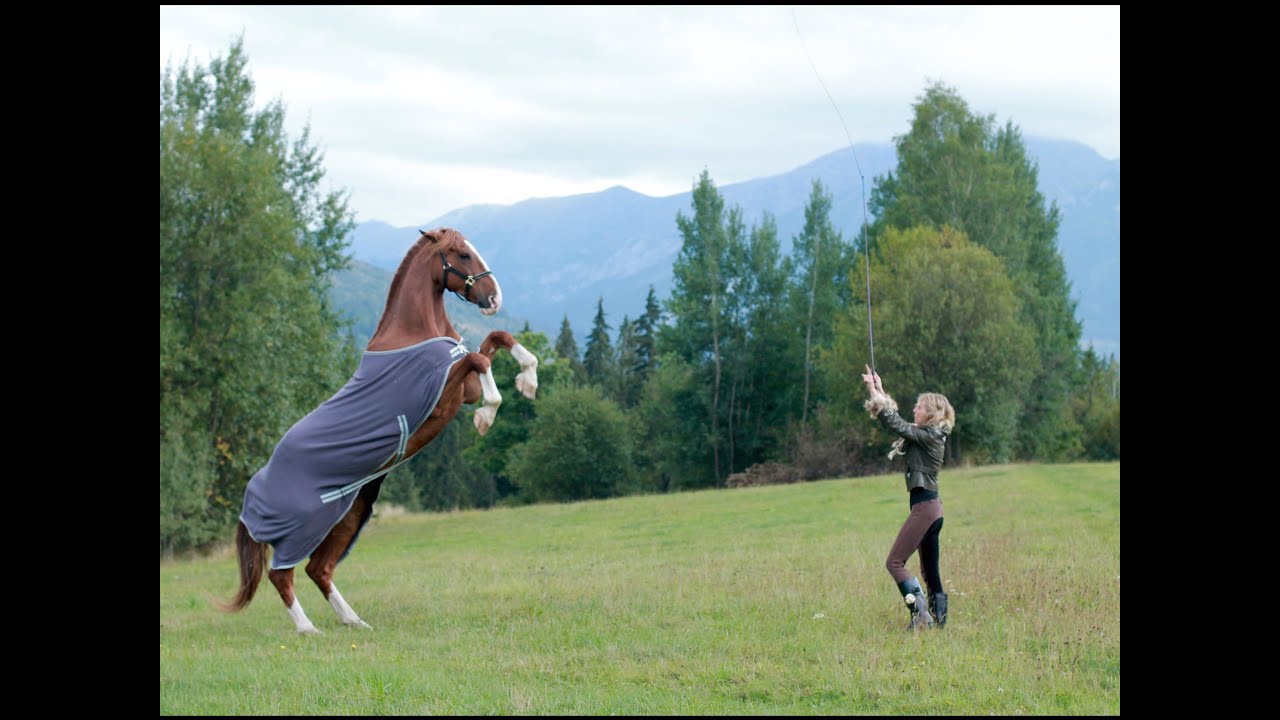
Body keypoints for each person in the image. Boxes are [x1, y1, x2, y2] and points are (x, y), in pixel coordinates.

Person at [862, 364, 955, 630]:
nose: (915, 409)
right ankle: (939, 623)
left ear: (931, 414)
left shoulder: (928, 435)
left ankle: (921, 615)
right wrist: (878, 389)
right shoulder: (930, 434)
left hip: (926, 509)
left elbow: (897, 423)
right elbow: (899, 420)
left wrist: (875, 394)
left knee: (894, 562)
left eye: (920, 407)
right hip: (932, 509)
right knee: (929, 570)